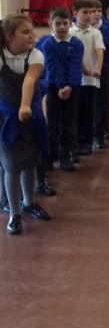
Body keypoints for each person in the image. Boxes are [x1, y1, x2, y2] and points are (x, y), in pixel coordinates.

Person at [0, 15, 51, 235]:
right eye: (25, 32)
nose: (32, 36)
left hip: (30, 115)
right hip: (5, 119)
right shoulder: (1, 55)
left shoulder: (35, 54)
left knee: (30, 161)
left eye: (32, 31)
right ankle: (14, 213)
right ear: (9, 36)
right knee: (11, 165)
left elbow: (30, 81)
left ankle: (29, 202)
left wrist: (25, 106)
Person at [38, 7, 84, 172]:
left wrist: (69, 86)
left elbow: (75, 66)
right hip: (54, 88)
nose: (62, 27)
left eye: (65, 23)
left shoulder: (77, 43)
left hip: (72, 88)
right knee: (52, 125)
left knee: (69, 125)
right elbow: (53, 67)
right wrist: (60, 86)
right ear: (50, 24)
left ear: (70, 22)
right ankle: (50, 157)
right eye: (58, 24)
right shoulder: (48, 44)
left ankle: (66, 157)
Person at [70, 0, 105, 156]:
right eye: (85, 12)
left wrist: (98, 69)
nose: (89, 15)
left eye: (91, 12)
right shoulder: (70, 32)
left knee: (87, 111)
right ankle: (75, 143)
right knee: (74, 112)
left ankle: (87, 142)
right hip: (74, 79)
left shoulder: (95, 33)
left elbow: (99, 51)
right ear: (75, 13)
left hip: (90, 79)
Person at [88, 0, 109, 148]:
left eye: (99, 11)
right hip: (86, 70)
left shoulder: (105, 28)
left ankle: (101, 131)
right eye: (93, 11)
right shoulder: (78, 28)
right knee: (88, 102)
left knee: (102, 102)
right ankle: (89, 132)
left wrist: (98, 42)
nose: (97, 14)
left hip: (102, 69)